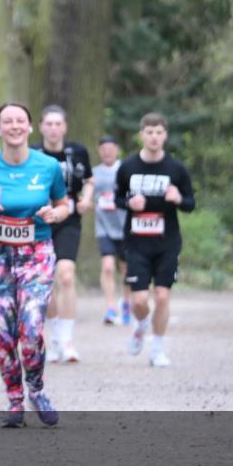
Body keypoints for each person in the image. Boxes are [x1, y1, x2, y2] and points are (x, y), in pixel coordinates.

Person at [0, 102, 70, 427]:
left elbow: (64, 205)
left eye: (20, 120)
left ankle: (36, 388)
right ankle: (14, 401)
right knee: (5, 333)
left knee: (32, 327)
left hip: (35, 253)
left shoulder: (49, 166)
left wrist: (55, 214)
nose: (14, 126)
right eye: (7, 121)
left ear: (29, 127)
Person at [116, 112, 195, 367]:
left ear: (165, 135)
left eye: (159, 132)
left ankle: (157, 350)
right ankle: (141, 325)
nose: (154, 137)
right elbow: (115, 198)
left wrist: (178, 199)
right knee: (139, 301)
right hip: (136, 242)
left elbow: (190, 203)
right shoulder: (128, 167)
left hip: (167, 242)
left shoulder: (176, 168)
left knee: (162, 296)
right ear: (142, 135)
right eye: (149, 132)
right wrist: (129, 202)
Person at [32, 105, 93, 363]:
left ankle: (67, 340)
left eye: (58, 124)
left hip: (68, 220)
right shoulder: (32, 154)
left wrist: (86, 199)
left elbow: (88, 180)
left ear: (65, 127)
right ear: (41, 127)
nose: (54, 128)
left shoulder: (77, 152)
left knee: (66, 275)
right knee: (45, 281)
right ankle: (54, 335)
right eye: (49, 124)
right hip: (38, 221)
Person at [92, 136, 131, 325]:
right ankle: (110, 307)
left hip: (124, 227)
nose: (107, 151)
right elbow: (86, 194)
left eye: (110, 147)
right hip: (103, 227)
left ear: (117, 149)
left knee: (126, 268)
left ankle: (126, 302)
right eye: (103, 148)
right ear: (99, 151)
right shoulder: (94, 173)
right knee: (107, 268)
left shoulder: (125, 170)